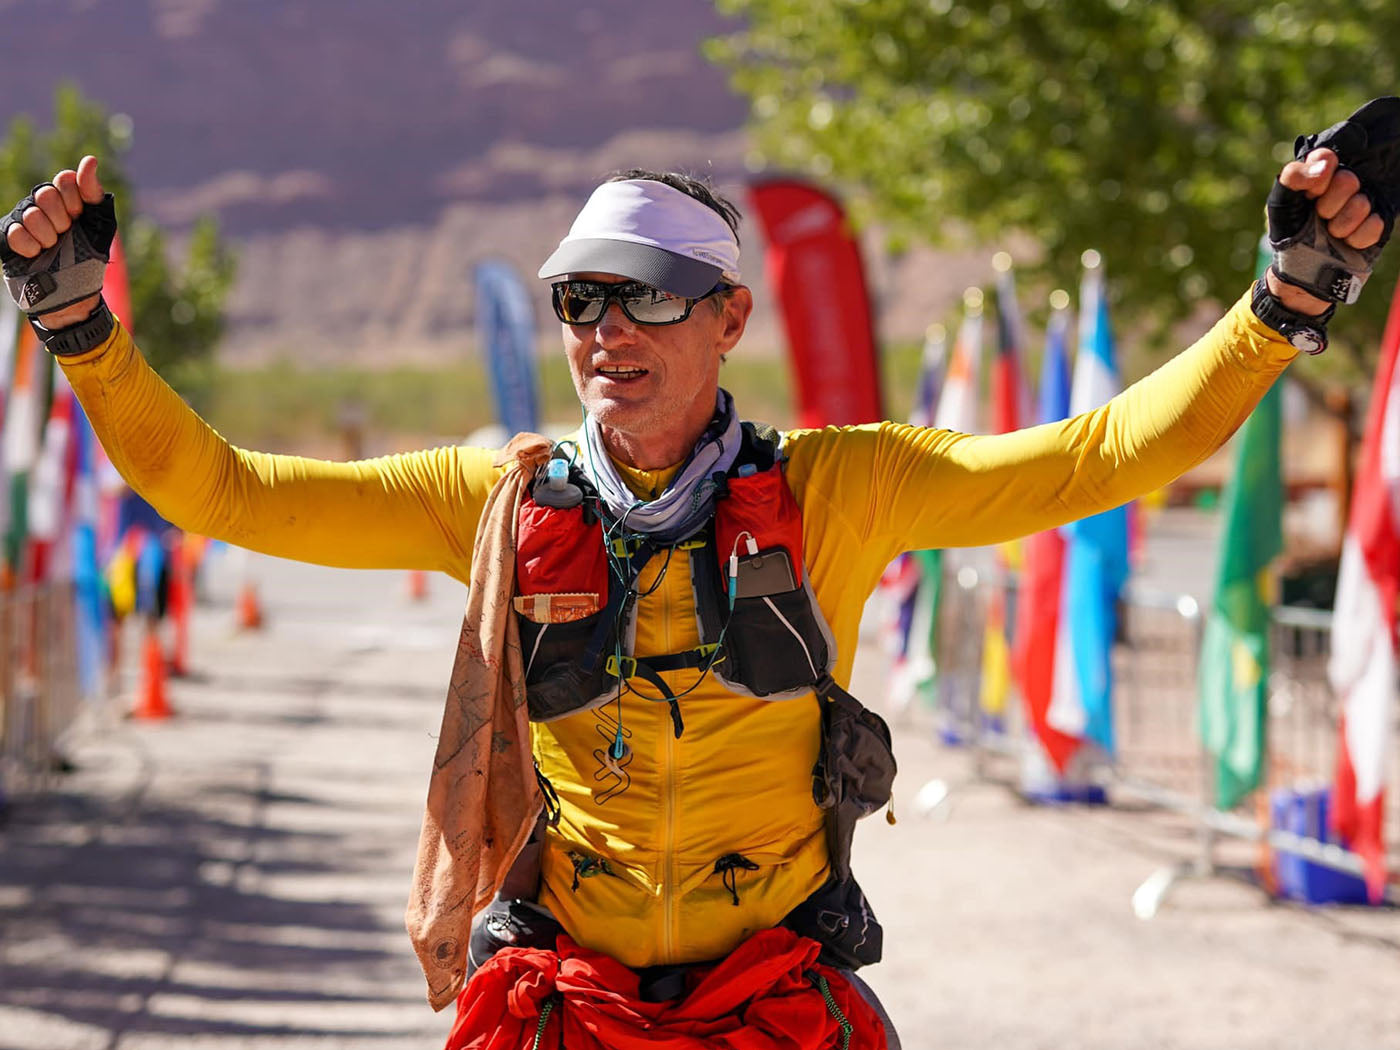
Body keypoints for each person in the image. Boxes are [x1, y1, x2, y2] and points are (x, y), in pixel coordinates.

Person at [3, 99, 1395, 1049]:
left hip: (769, 996)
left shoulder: (842, 486)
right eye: (579, 300)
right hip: (572, 994)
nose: (607, 330)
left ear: (731, 315)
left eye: (647, 295)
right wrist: (82, 331)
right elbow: (223, 489)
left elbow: (1101, 453)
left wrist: (1280, 306)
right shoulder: (496, 499)